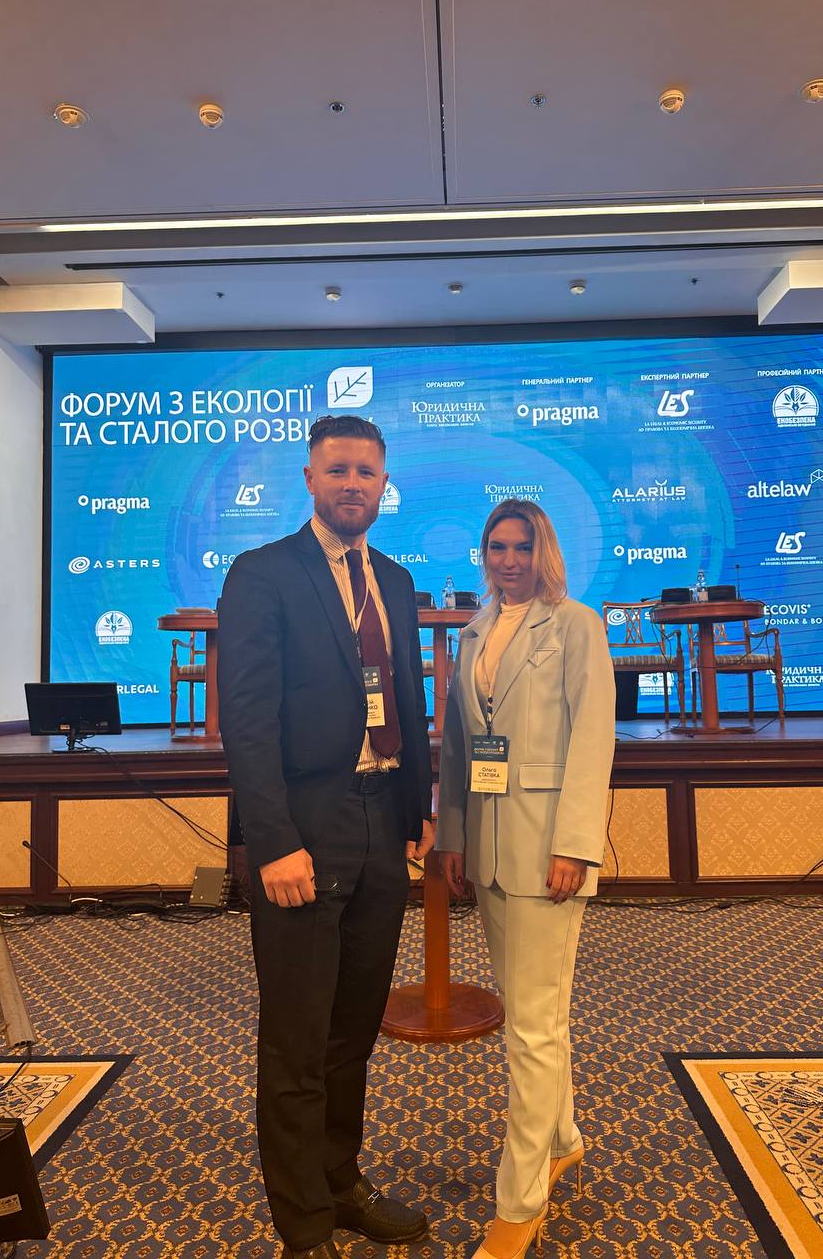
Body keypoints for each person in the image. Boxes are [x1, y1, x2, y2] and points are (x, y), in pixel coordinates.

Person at [217, 414, 435, 1259]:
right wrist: (270, 841)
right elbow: (247, 720)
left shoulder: (397, 580)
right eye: (337, 469)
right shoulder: (263, 573)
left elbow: (406, 700)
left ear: (384, 483)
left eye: (366, 471)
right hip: (304, 829)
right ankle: (303, 1223)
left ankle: (340, 1183)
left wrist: (416, 812)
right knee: (298, 1039)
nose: (352, 484)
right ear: (309, 478)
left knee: (353, 1031)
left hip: (382, 826)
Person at [435, 499, 615, 1259]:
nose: (509, 561)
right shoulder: (475, 630)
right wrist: (451, 835)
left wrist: (575, 845)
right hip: (487, 850)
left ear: (544, 552)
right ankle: (563, 1138)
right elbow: (457, 744)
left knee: (533, 1028)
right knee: (533, 1014)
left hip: (548, 854)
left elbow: (593, 740)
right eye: (497, 548)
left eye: (522, 547)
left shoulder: (576, 625)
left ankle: (520, 1200)